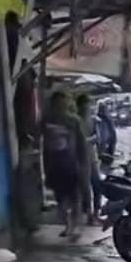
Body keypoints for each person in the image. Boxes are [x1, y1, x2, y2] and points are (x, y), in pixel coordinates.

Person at [42, 91, 89, 237]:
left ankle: (73, 225)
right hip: (54, 165)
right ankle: (68, 224)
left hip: (71, 163)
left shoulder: (74, 121)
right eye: (57, 103)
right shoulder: (46, 120)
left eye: (63, 103)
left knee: (74, 197)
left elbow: (82, 144)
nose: (60, 106)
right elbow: (43, 142)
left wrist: (83, 165)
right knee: (61, 198)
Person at [76, 94, 101, 224]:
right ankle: (89, 214)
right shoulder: (75, 121)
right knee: (85, 189)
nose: (88, 107)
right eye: (86, 104)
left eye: (89, 104)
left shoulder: (94, 120)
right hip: (79, 158)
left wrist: (86, 141)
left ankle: (96, 213)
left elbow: (98, 137)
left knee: (97, 186)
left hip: (92, 157)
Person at [95, 101, 117, 171]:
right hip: (102, 145)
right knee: (104, 160)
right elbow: (99, 134)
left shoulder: (108, 119)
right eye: (102, 108)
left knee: (109, 159)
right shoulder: (97, 120)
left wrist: (113, 141)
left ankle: (106, 170)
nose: (104, 110)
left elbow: (112, 131)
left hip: (110, 144)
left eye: (105, 108)